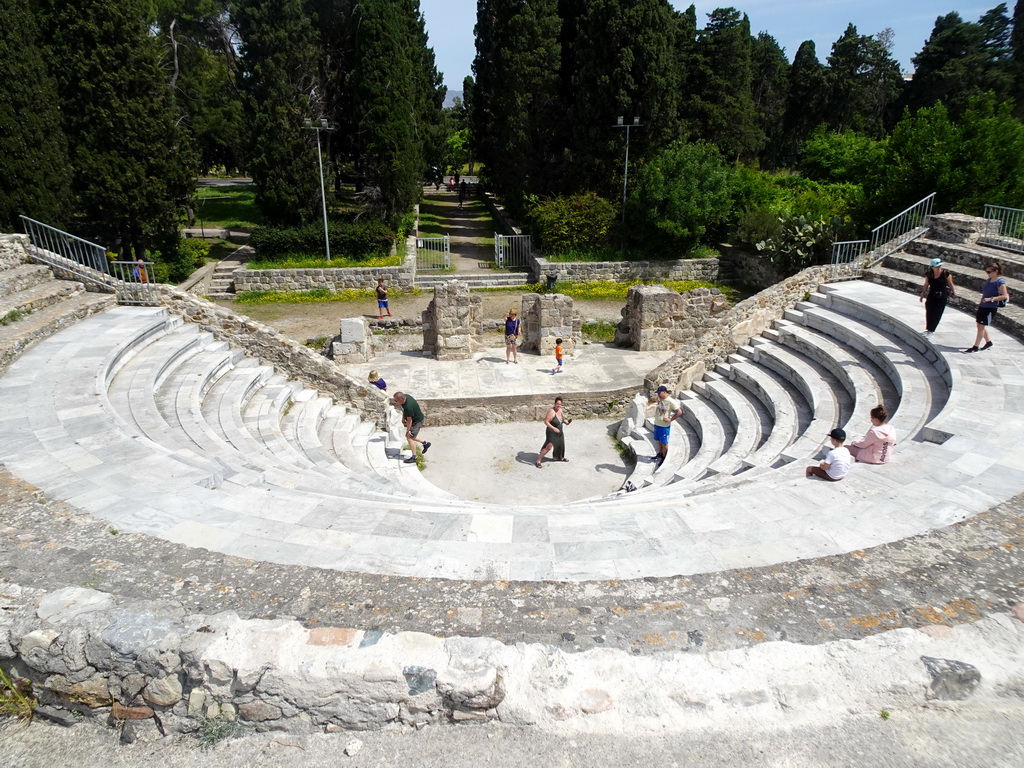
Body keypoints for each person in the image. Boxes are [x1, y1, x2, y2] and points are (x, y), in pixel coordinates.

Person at [964, 262, 1010, 353]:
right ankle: (989, 342)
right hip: (983, 305)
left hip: (990, 307)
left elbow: (1004, 296)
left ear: (996, 271)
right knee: (979, 325)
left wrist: (991, 299)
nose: (987, 273)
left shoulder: (1000, 282)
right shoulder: (989, 280)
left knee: (981, 327)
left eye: (989, 272)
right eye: (987, 271)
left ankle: (975, 347)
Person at [647, 385, 682, 466]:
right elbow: (649, 402)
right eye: (658, 393)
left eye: (660, 393)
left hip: (664, 426)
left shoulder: (670, 401)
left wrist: (671, 419)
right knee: (658, 441)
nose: (658, 394)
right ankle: (660, 453)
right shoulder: (659, 399)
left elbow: (679, 412)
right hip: (657, 424)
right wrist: (654, 400)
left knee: (664, 443)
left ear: (665, 392)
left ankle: (664, 456)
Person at [919, 258, 955, 335]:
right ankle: (928, 329)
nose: (939, 267)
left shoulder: (946, 273)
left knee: (937, 313)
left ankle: (932, 330)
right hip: (932, 295)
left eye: (940, 265)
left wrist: (954, 292)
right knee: (929, 311)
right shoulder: (929, 274)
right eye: (937, 266)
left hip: (942, 296)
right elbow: (926, 284)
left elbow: (950, 283)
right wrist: (922, 294)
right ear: (932, 267)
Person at [393, 392, 430, 464]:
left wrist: (408, 430)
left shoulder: (408, 407)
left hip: (417, 421)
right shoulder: (406, 397)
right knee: (412, 436)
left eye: (396, 400)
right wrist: (404, 417)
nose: (395, 402)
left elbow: (409, 420)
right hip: (416, 419)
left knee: (409, 437)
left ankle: (414, 457)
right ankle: (426, 443)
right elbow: (404, 409)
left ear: (401, 399)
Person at [536, 396, 571, 467]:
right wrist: (553, 428)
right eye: (557, 404)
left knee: (560, 445)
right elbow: (546, 422)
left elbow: (561, 419)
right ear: (554, 404)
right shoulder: (551, 412)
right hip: (551, 432)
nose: (559, 405)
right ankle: (538, 460)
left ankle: (559, 457)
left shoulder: (560, 410)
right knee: (548, 447)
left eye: (560, 404)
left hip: (559, 432)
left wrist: (566, 422)